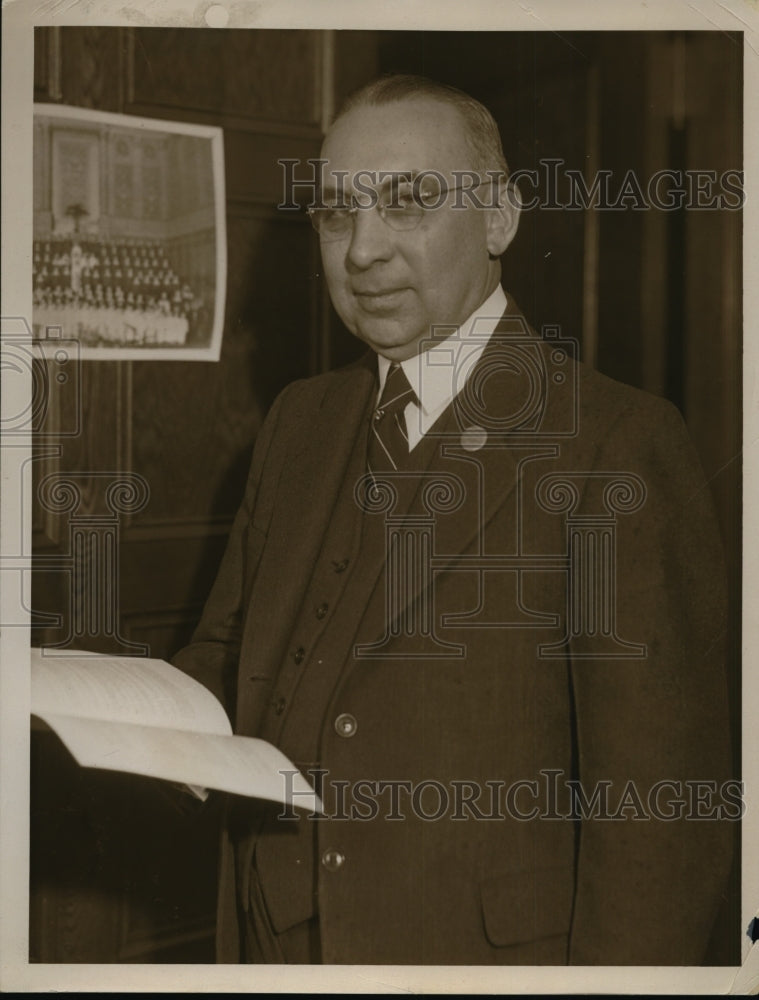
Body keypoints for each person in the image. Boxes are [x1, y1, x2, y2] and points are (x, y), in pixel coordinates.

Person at [172, 75, 734, 966]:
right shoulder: (299, 421)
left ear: (500, 218)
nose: (362, 251)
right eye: (335, 213)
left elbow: (661, 829)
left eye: (408, 203)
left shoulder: (616, 443)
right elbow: (227, 652)